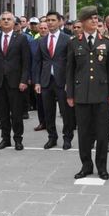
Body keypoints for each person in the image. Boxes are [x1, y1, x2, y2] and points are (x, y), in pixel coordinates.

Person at [66, 6, 109, 180]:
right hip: (81, 95)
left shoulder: (108, 43)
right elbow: (70, 71)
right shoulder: (74, 42)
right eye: (91, 18)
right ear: (82, 22)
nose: (95, 21)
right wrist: (70, 95)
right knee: (84, 134)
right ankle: (86, 166)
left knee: (103, 134)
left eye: (96, 18)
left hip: (102, 95)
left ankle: (102, 167)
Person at [0, 12, 30, 150]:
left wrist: (24, 80)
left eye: (9, 19)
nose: (6, 21)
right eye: (3, 19)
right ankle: (5, 139)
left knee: (16, 113)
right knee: (3, 112)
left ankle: (18, 139)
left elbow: (26, 62)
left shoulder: (21, 39)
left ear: (14, 22)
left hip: (16, 82)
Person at [34, 11, 75, 150]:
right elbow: (37, 62)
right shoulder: (41, 40)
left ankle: (67, 137)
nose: (50, 22)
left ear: (59, 22)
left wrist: (69, 82)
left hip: (62, 81)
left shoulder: (67, 39)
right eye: (48, 20)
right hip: (46, 80)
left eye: (53, 20)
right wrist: (37, 82)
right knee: (48, 111)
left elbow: (71, 63)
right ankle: (52, 137)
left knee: (66, 112)